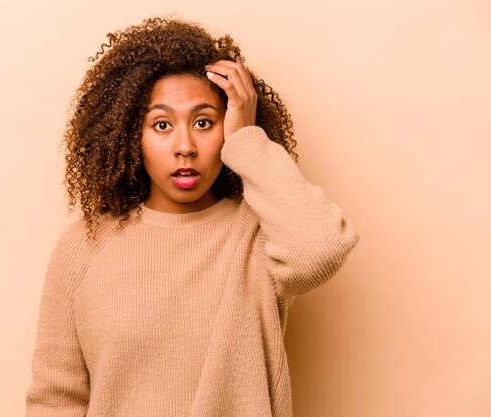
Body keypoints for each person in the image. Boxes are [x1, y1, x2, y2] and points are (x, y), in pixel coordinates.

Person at [25, 17, 360, 417]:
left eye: (204, 122)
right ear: (132, 135)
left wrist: (247, 140)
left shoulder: (258, 235)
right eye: (162, 124)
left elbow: (319, 250)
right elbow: (55, 400)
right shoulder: (84, 247)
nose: (185, 146)